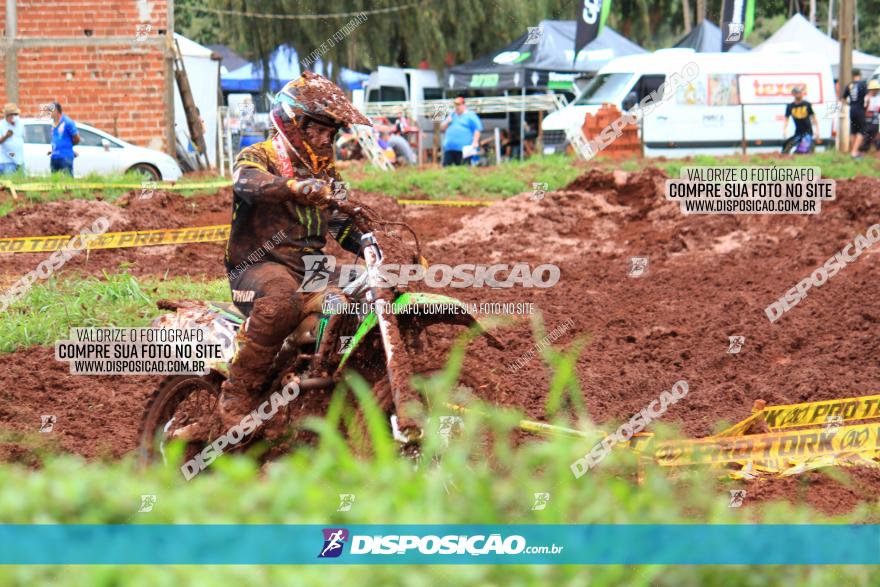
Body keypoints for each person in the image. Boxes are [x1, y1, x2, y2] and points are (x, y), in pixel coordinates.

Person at [218, 71, 372, 429]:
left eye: (330, 132)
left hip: (311, 269)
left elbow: (340, 224)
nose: (324, 139)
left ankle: (336, 383)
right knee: (282, 300)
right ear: (292, 123)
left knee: (368, 289)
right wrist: (294, 187)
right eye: (316, 130)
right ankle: (236, 393)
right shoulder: (258, 155)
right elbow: (246, 183)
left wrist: (374, 244)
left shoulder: (328, 173)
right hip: (258, 267)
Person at [440, 95, 482, 166]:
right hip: (449, 148)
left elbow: (477, 129)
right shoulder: (452, 115)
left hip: (464, 149)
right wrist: (447, 121)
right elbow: (441, 129)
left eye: (459, 105)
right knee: (447, 169)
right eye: (455, 105)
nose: (457, 107)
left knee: (463, 168)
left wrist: (475, 141)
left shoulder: (470, 115)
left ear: (464, 105)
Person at [782, 87, 820, 154]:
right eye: (798, 93)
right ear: (793, 94)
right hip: (798, 133)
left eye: (801, 93)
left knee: (802, 149)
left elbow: (814, 118)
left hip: (808, 132)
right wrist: (784, 130)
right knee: (786, 146)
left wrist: (817, 130)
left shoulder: (807, 104)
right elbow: (786, 119)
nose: (801, 94)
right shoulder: (790, 106)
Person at [48, 102, 80, 175]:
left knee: (67, 180)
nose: (49, 113)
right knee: (55, 180)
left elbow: (77, 138)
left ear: (56, 111)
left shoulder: (67, 122)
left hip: (65, 157)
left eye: (51, 111)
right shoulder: (53, 123)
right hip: (55, 156)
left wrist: (68, 146)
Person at [843, 71, 868, 157]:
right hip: (860, 109)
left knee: (853, 130)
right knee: (862, 130)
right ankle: (854, 151)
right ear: (859, 75)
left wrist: (849, 104)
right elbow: (868, 97)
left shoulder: (849, 85)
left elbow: (842, 98)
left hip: (852, 109)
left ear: (852, 76)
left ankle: (852, 151)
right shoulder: (863, 84)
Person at [857, 79, 880, 158]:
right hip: (867, 119)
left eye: (877, 89)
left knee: (875, 135)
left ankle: (876, 152)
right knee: (866, 135)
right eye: (875, 89)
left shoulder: (878, 98)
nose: (876, 91)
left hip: (876, 119)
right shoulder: (866, 98)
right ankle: (862, 152)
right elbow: (863, 108)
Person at [0, 103, 24, 176]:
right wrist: (6, 136)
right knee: (9, 184)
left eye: (16, 114)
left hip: (20, 160)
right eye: (13, 114)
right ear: (8, 115)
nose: (15, 116)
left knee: (21, 183)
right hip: (7, 161)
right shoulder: (1, 125)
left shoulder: (19, 123)